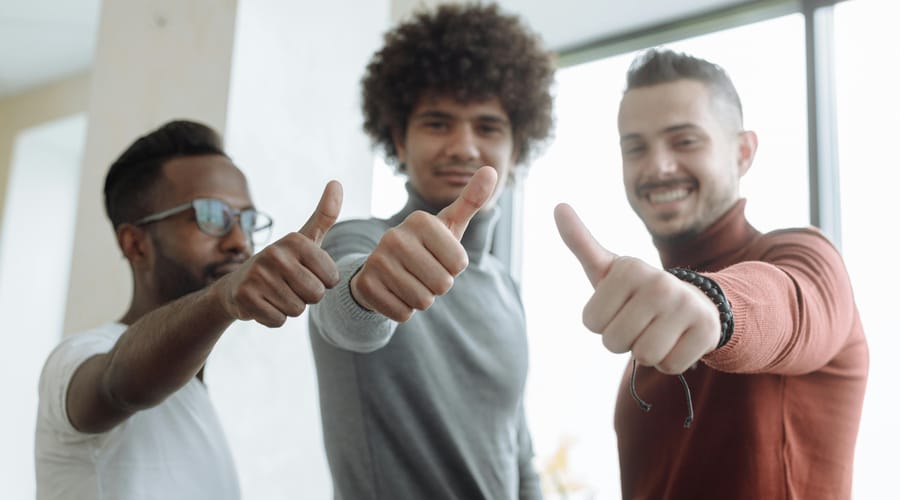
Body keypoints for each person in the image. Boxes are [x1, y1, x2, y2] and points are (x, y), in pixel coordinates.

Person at [555, 48, 868, 499]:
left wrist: (713, 303)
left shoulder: (805, 257)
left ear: (742, 153)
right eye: (636, 147)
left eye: (685, 141)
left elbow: (789, 305)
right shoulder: (653, 317)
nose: (658, 166)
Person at [308, 4, 555, 499]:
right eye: (438, 124)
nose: (464, 147)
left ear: (517, 146)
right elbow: (343, 312)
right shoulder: (360, 243)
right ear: (399, 139)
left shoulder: (506, 287)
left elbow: (518, 451)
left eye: (488, 127)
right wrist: (367, 292)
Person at [34, 120, 342, 500]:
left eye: (246, 220)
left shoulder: (201, 394)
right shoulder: (75, 358)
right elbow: (116, 385)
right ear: (135, 244)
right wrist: (221, 297)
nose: (239, 241)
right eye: (210, 216)